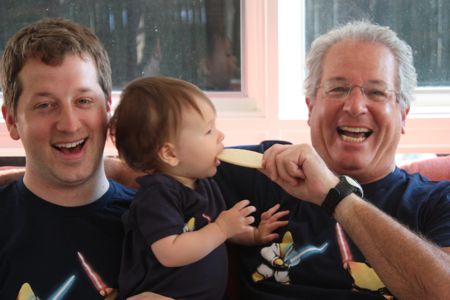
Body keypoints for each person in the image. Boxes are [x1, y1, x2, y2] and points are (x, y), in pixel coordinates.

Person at [213, 20, 450, 299]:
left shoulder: (437, 200)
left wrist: (336, 195)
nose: (355, 106)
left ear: (403, 115)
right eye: (338, 89)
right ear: (311, 108)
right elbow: (161, 162)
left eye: (376, 92)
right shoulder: (265, 169)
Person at [0, 18, 167, 300]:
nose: (69, 124)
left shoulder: (159, 221)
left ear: (107, 109)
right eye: (45, 105)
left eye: (83, 101)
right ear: (12, 121)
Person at [108, 76, 288, 299]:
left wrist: (252, 236)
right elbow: (170, 252)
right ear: (170, 154)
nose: (221, 135)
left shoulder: (205, 185)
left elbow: (217, 232)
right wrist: (221, 228)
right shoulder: (157, 195)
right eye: (208, 130)